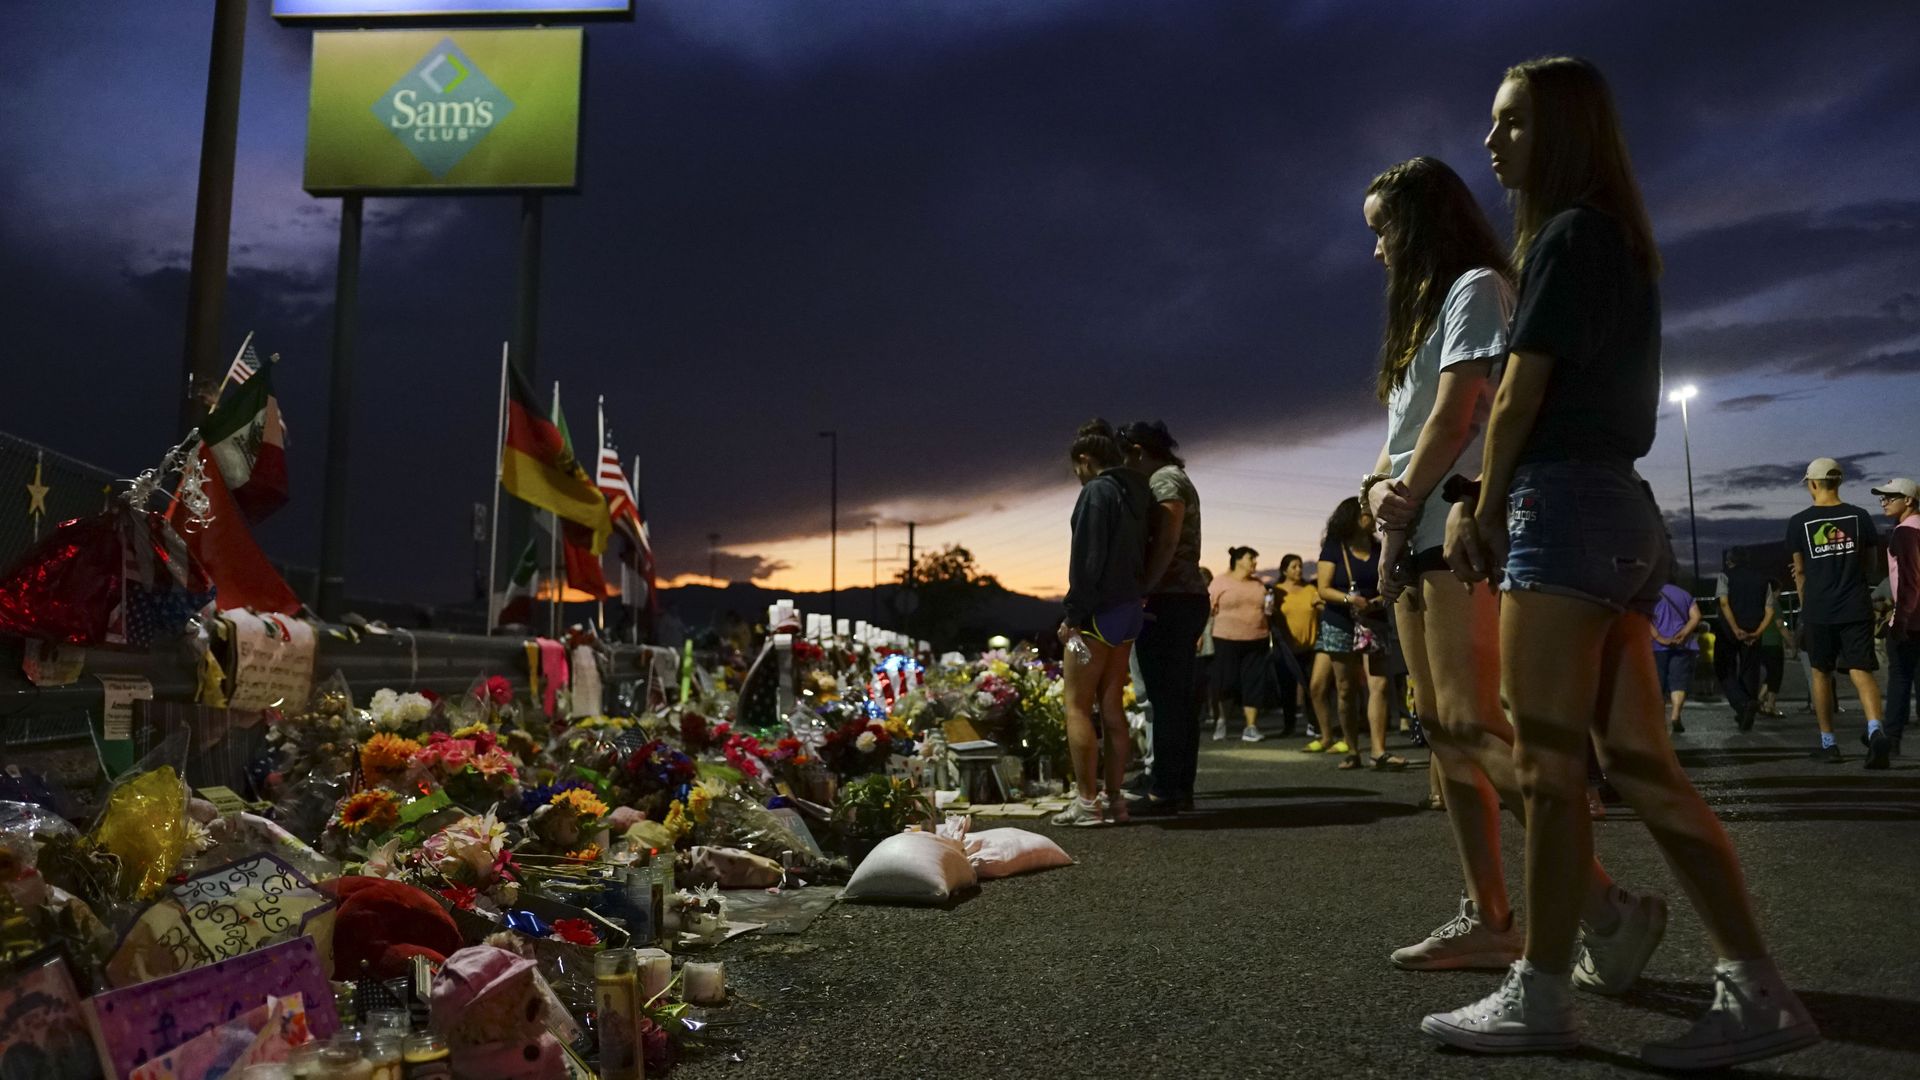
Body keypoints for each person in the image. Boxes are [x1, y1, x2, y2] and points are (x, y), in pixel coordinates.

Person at [1431, 56, 1817, 1068]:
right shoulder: (1619, 243)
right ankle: (1755, 987)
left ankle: (1543, 995)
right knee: (1642, 766)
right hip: (1620, 510)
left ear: (1559, 131)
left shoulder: (1566, 237)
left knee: (1550, 771)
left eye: (1510, 123)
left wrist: (1477, 501)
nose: (1491, 141)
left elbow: (1518, 393)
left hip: (1561, 504)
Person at [1358, 155, 1640, 975]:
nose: (1377, 251)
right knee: (1445, 733)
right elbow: (1403, 435)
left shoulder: (1475, 286)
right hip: (1413, 524)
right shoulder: (1422, 314)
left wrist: (1402, 498)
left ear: (1418, 225)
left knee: (1478, 723)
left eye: (1383, 232)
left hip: (1457, 524)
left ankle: (1604, 905)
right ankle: (1489, 916)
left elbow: (1459, 416)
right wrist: (1383, 507)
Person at [1052, 419, 1153, 827]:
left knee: (1076, 705)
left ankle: (1086, 803)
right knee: (1112, 705)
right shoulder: (1136, 491)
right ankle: (1117, 801)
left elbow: (1088, 561)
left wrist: (1072, 616)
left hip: (1098, 614)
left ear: (1084, 460)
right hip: (1129, 611)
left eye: (1076, 468)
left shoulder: (1096, 492)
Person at [1119, 420, 1207, 817]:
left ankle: (1167, 789)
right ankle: (1175, 786)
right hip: (1181, 597)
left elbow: (1169, 537)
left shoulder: (1165, 481)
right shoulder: (1173, 476)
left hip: (1172, 598)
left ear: (1138, 450)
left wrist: (1144, 588)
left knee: (1168, 699)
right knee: (1175, 698)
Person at [1789, 458, 1889, 767]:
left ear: (1814, 484)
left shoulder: (1799, 522)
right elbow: (1871, 565)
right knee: (1861, 670)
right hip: (1856, 604)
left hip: (1819, 609)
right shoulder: (1860, 517)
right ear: (1839, 482)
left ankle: (1829, 744)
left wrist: (1806, 607)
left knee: (1821, 672)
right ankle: (1875, 731)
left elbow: (1801, 571)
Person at [1313, 498, 1405, 770]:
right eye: (1366, 514)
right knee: (1345, 688)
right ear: (1353, 517)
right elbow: (1323, 589)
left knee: (1380, 685)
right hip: (1340, 622)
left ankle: (1378, 751)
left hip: (1374, 621)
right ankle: (1352, 749)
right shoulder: (1333, 549)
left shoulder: (1380, 547)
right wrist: (1350, 600)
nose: (1371, 518)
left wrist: (1377, 601)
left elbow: (1391, 578)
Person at [1872, 477, 1920, 758]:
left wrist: (1899, 621)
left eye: (1891, 497)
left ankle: (1891, 742)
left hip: (1911, 620)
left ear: (1909, 501)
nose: (1884, 502)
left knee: (1900, 679)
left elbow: (1910, 582)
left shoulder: (1903, 533)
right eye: (1882, 498)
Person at [1209, 546, 1273, 742]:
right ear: (1238, 560)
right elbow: (1208, 609)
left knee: (1253, 682)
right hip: (1226, 639)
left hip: (1257, 638)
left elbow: (1267, 609)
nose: (1254, 562)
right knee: (1226, 681)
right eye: (1251, 558)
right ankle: (1221, 721)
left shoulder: (1258, 584)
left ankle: (1251, 727)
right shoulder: (1220, 582)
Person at [1715, 548, 1778, 731]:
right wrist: (1758, 632)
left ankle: (1742, 704)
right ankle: (1748, 709)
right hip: (1753, 629)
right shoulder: (1762, 579)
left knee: (1724, 669)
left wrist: (1735, 629)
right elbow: (1770, 610)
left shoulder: (1724, 576)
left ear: (1730, 561)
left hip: (1729, 631)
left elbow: (1724, 603)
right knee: (1750, 670)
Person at [1273, 554, 1321, 736]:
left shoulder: (1310, 589)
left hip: (1309, 647)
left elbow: (1321, 608)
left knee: (1312, 687)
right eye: (1294, 566)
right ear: (1284, 570)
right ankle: (1289, 725)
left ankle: (1313, 724)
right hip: (1285, 649)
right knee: (1287, 689)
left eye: (1300, 566)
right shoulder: (1277, 591)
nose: (1299, 570)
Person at [1651, 579, 1703, 734]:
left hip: (1658, 647)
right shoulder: (1684, 594)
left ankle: (1659, 720)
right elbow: (1696, 616)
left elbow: (1646, 619)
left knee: (1658, 684)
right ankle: (1675, 716)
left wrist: (1660, 638)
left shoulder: (1650, 594)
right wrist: (1684, 633)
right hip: (1683, 645)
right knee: (1679, 682)